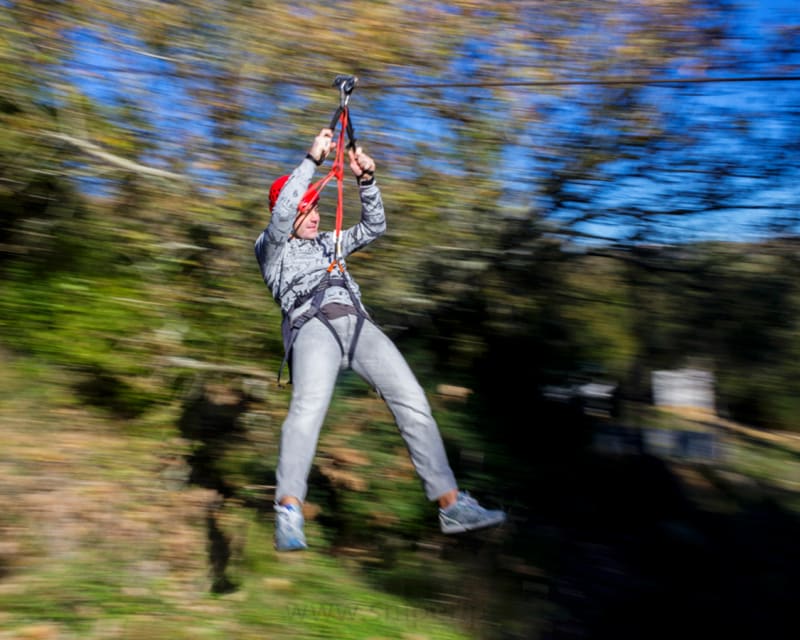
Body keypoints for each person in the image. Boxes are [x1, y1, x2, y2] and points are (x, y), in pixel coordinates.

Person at [254, 128, 506, 551]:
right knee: (308, 409)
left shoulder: (329, 242)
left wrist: (366, 181)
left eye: (317, 207)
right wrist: (311, 162)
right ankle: (289, 509)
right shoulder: (270, 247)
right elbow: (281, 216)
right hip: (312, 327)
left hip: (359, 326)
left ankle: (451, 504)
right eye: (305, 209)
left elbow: (374, 226)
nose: (314, 215)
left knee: (412, 399)